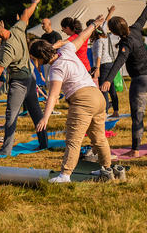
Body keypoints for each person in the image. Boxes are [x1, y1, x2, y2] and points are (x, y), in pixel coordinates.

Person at [31, 14, 114, 182]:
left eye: (34, 59)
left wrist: (45, 118)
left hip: (83, 100)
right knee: (99, 138)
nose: (34, 62)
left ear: (40, 57)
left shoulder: (56, 69)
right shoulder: (66, 50)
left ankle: (65, 175)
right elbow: (82, 37)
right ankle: (107, 169)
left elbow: (53, 96)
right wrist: (94, 24)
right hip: (98, 97)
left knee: (73, 139)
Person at [0, 0, 49, 156]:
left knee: (11, 116)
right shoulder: (17, 29)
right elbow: (26, 13)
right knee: (35, 111)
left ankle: (6, 149)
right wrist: (34, 2)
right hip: (31, 77)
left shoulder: (7, 50)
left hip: (19, 83)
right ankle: (44, 142)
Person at [100, 0, 147, 156]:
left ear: (114, 32)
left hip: (141, 82)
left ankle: (135, 150)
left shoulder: (126, 44)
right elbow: (143, 16)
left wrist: (108, 80)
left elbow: (118, 63)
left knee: (137, 115)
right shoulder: (136, 29)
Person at [93, 17, 119, 117]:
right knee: (111, 89)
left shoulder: (99, 41)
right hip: (109, 64)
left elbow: (99, 55)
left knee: (103, 89)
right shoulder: (104, 37)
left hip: (103, 65)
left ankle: (105, 113)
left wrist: (97, 68)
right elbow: (105, 24)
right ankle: (116, 111)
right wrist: (110, 13)